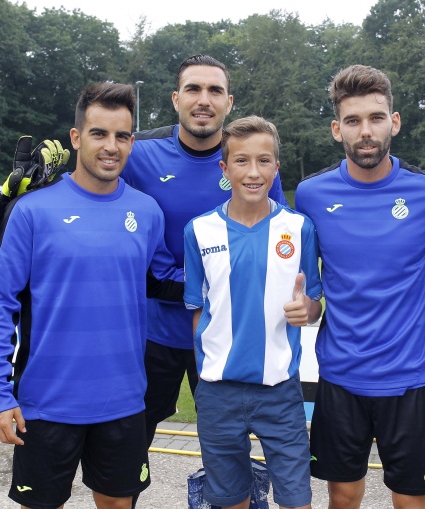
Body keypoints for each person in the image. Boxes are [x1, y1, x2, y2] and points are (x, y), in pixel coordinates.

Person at [0, 81, 183, 509]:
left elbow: (164, 280)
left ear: (131, 142)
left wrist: (240, 277)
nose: (111, 146)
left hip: (125, 402)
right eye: (99, 133)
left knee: (118, 504)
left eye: (122, 136)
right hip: (45, 404)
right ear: (76, 138)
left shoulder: (147, 211)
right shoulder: (33, 210)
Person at [294, 65, 425, 509]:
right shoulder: (311, 195)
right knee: (343, 497)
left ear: (394, 122)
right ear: (337, 129)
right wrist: (307, 308)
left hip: (410, 377)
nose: (365, 131)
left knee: (411, 500)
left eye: (376, 118)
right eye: (353, 120)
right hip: (340, 376)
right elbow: (309, 285)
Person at [121, 54, 288, 447]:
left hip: (225, 337)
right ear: (176, 98)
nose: (203, 100)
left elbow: (275, 242)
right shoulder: (139, 153)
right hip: (151, 334)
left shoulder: (249, 162)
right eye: (193, 89)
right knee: (127, 449)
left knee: (229, 449)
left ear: (229, 103)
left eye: (215, 91)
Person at [184, 116, 322, 509]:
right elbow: (198, 310)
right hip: (218, 393)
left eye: (263, 161)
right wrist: (206, 371)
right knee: (230, 499)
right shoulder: (199, 231)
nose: (253, 172)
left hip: (280, 391)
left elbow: (313, 304)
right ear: (225, 168)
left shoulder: (299, 228)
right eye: (241, 161)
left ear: (276, 167)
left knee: (297, 500)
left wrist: (307, 310)